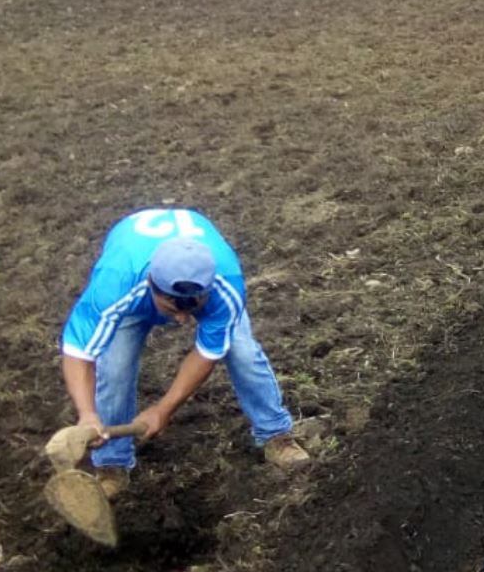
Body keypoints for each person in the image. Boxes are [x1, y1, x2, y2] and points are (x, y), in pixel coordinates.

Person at [59, 208, 308, 495]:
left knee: (244, 354)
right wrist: (88, 414)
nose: (181, 321)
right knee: (114, 368)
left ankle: (276, 434)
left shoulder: (225, 283)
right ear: (151, 285)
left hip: (198, 276)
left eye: (192, 310)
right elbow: (79, 351)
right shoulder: (116, 282)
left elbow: (207, 353)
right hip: (131, 255)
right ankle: (111, 464)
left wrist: (163, 409)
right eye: (171, 310)